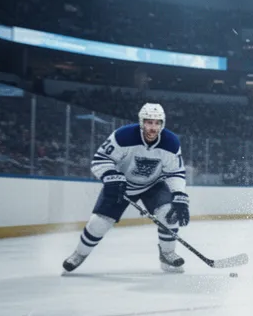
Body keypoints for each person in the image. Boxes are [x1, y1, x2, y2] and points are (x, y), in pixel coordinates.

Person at [62, 103, 190, 273]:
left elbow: (175, 171)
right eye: (149, 122)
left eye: (157, 123)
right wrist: (111, 176)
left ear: (162, 124)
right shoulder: (123, 136)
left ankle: (167, 254)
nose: (153, 127)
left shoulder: (171, 142)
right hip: (121, 184)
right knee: (98, 223)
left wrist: (179, 195)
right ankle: (79, 254)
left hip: (154, 185)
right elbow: (100, 160)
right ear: (141, 122)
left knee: (168, 214)